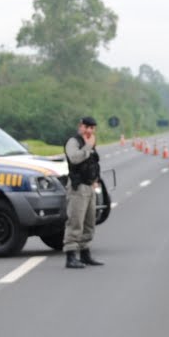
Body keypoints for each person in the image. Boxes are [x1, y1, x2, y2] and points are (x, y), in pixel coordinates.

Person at [62, 115, 104, 269]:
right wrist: (87, 147)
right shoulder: (74, 142)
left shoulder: (90, 143)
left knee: (89, 221)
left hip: (89, 186)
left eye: (92, 128)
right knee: (75, 221)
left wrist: (95, 180)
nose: (89, 131)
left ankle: (85, 254)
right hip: (77, 187)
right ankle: (71, 256)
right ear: (80, 126)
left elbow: (92, 163)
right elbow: (74, 158)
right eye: (86, 127)